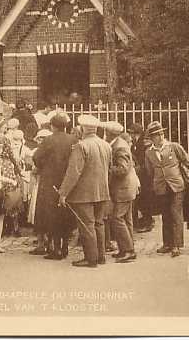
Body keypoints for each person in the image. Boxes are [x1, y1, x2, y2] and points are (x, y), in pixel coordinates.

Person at [58, 114, 112, 268]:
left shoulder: (81, 146)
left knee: (86, 225)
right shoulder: (106, 145)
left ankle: (91, 258)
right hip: (102, 191)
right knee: (99, 224)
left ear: (83, 129)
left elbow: (74, 172)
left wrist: (63, 193)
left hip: (84, 194)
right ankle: (100, 256)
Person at [145, 120, 189, 258]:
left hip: (177, 186)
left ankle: (176, 245)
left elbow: (187, 161)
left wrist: (183, 175)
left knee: (176, 213)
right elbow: (149, 171)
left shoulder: (174, 147)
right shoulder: (149, 152)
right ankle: (167, 244)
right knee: (165, 215)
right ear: (151, 138)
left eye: (160, 133)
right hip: (161, 187)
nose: (159, 137)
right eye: (155, 135)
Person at [33, 112, 76, 260]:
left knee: (52, 216)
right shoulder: (73, 139)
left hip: (50, 182)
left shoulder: (49, 140)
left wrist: (44, 167)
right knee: (66, 215)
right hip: (68, 182)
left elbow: (36, 157)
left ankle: (56, 249)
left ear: (53, 126)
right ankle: (64, 248)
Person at [104, 121, 139, 264]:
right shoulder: (119, 144)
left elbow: (123, 169)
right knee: (126, 219)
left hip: (123, 189)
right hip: (127, 188)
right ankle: (127, 249)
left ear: (109, 133)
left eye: (105, 132)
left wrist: (108, 168)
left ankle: (128, 251)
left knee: (117, 218)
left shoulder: (119, 147)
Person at [128, 123, 154, 232]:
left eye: (132, 133)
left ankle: (148, 222)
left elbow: (146, 162)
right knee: (141, 199)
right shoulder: (137, 143)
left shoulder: (143, 144)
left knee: (145, 199)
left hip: (145, 177)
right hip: (141, 176)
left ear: (136, 133)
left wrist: (137, 169)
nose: (131, 136)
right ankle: (145, 219)